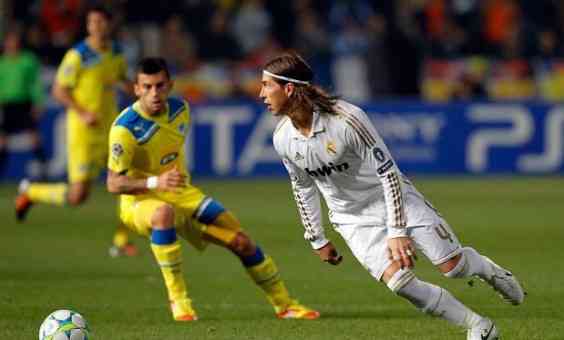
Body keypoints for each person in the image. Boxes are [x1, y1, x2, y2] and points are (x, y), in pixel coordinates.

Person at [260, 52, 525, 340]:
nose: (261, 93)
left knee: (453, 267)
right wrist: (317, 237)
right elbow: (302, 186)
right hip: (352, 219)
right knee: (399, 282)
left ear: (288, 88)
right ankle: (478, 326)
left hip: (392, 198)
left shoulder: (347, 120)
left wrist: (396, 231)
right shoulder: (282, 138)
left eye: (266, 85)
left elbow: (388, 173)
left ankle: (487, 269)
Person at [105, 57, 319, 321]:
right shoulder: (124, 129)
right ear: (136, 89)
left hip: (182, 195)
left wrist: (174, 184)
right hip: (141, 202)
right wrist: (154, 182)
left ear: (170, 85)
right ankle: (179, 301)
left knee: (241, 242)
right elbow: (113, 183)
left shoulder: (180, 110)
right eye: (147, 87)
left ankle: (285, 305)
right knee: (162, 213)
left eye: (160, 85)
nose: (154, 93)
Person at [15, 6, 137, 257]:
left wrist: (139, 92)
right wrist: (82, 113)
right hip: (83, 132)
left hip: (111, 130)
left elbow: (123, 79)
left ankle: (121, 241)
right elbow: (59, 91)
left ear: (109, 24)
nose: (97, 26)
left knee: (128, 182)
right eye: (92, 22)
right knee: (77, 196)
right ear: (87, 26)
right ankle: (31, 192)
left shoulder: (116, 52)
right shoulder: (78, 55)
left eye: (101, 21)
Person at [0, 29, 46, 178]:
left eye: (14, 40)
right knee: (2, 141)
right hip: (7, 106)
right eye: (9, 41)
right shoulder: (2, 63)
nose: (11, 44)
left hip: (24, 104)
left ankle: (43, 172)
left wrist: (38, 102)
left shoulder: (28, 60)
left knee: (34, 138)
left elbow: (35, 83)